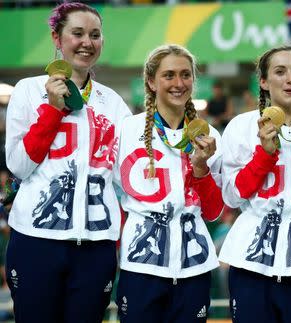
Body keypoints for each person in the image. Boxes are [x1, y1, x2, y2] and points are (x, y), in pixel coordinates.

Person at [4, 3, 131, 322]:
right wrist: (52, 108)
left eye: (95, 35)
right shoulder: (28, 91)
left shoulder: (113, 103)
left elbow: (127, 178)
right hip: (36, 240)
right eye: (77, 33)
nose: (87, 42)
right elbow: (19, 165)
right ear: (57, 38)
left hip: (96, 245)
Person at [114, 44, 224, 323]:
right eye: (169, 75)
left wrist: (201, 169)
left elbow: (213, 212)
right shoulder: (126, 130)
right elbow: (110, 197)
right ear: (151, 82)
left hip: (193, 267)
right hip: (140, 264)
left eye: (186, 75)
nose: (179, 83)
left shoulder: (209, 136)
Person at [219, 45, 291, 323]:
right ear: (264, 81)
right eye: (280, 72)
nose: (290, 79)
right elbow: (232, 197)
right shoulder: (241, 127)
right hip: (251, 261)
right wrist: (264, 155)